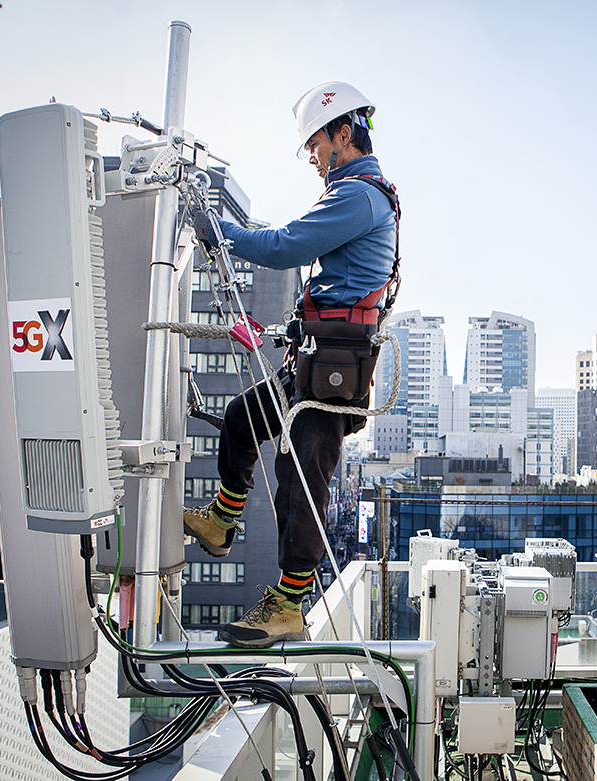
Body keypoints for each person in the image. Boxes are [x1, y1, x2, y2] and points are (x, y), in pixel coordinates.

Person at [183, 81, 398, 647]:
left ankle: (287, 603)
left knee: (300, 476)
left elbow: (283, 247)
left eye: (314, 143)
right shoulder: (355, 193)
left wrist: (220, 232)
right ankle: (222, 522)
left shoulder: (359, 196)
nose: (311, 156)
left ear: (342, 134)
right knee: (241, 419)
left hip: (333, 366)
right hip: (317, 357)